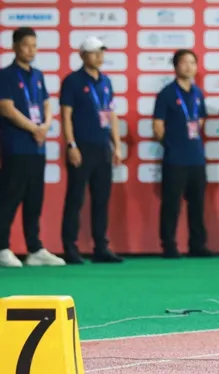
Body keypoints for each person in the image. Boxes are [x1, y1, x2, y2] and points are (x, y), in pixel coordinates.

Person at [0, 26, 65, 268]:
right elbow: (6, 108)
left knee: (34, 199)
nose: (31, 50)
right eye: (26, 45)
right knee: (9, 197)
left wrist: (45, 126)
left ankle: (35, 249)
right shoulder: (6, 75)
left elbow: (47, 104)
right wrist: (33, 128)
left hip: (37, 147)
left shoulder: (37, 76)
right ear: (15, 46)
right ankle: (2, 248)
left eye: (35, 45)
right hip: (17, 147)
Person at [59, 36, 123, 264]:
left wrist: (116, 144)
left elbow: (112, 114)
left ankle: (100, 247)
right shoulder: (73, 81)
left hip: (102, 147)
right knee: (75, 198)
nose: (99, 56)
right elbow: (66, 116)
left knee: (101, 199)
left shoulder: (106, 82)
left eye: (101, 52)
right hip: (82, 147)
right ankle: (70, 247)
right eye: (94, 52)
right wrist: (71, 145)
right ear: (82, 55)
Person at [152, 49, 212, 258]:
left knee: (197, 204)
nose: (189, 67)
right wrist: (171, 142)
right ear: (176, 67)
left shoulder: (198, 94)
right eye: (184, 62)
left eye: (192, 63)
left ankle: (198, 245)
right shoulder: (167, 94)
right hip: (175, 159)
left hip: (196, 158)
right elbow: (158, 126)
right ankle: (169, 245)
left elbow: (201, 121)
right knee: (171, 205)